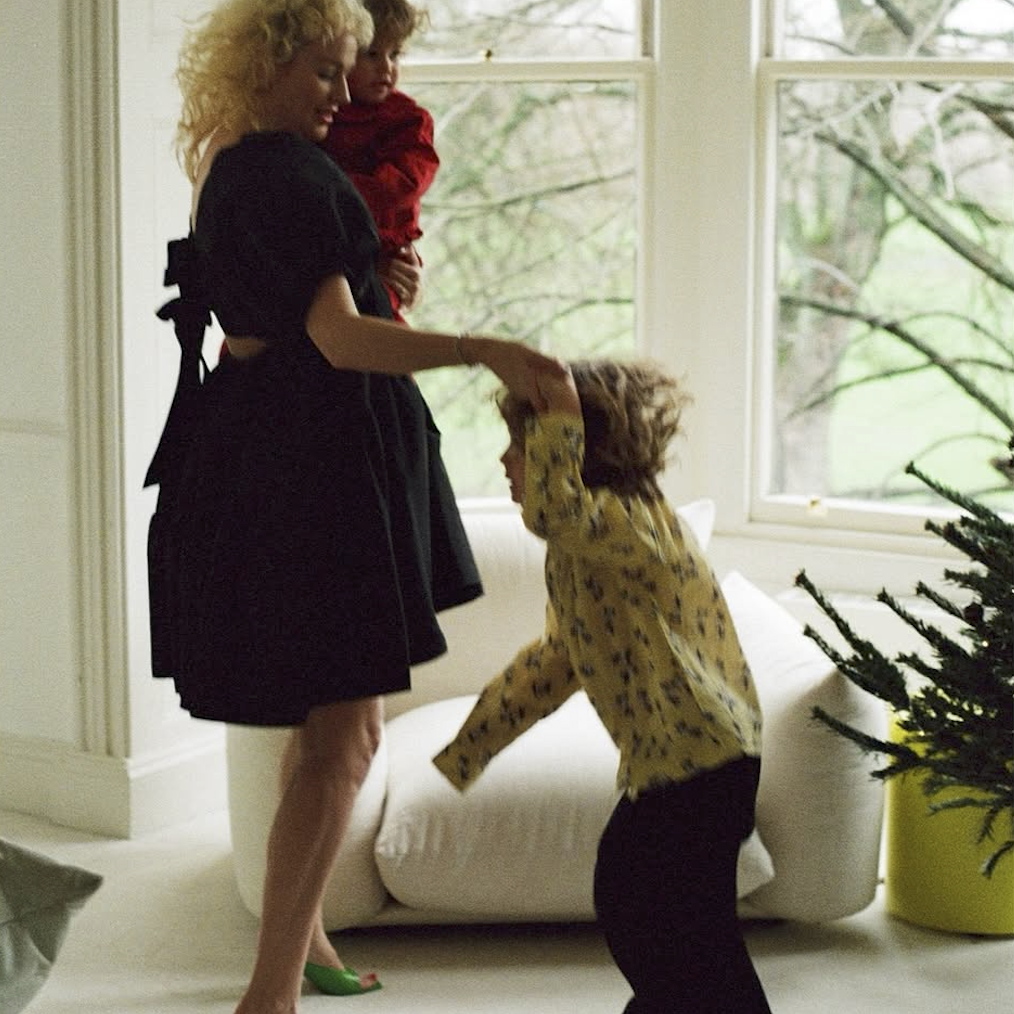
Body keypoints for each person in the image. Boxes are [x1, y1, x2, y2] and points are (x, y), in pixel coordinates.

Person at [143, 2, 563, 1012]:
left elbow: (271, 316)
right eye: (328, 71)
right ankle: (270, 997)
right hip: (318, 473)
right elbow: (337, 338)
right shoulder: (302, 175)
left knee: (320, 726)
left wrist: (376, 283)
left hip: (259, 457)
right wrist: (486, 348)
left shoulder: (229, 163)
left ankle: (306, 947)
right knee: (348, 738)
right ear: (272, 62)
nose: (347, 91)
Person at [433, 361, 772, 1014]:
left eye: (521, 444)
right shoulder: (585, 549)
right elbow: (555, 662)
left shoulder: (627, 522)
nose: (506, 461)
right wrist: (471, 747)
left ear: (571, 450)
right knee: (658, 918)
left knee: (663, 917)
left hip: (706, 756)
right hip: (683, 760)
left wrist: (558, 403)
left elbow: (554, 507)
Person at [322, 0, 436, 321]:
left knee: (375, 317)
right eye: (372, 54)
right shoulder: (327, 112)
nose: (386, 67)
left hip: (382, 243)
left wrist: (330, 198)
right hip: (332, 243)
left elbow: (402, 185)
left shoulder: (408, 119)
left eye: (395, 54)